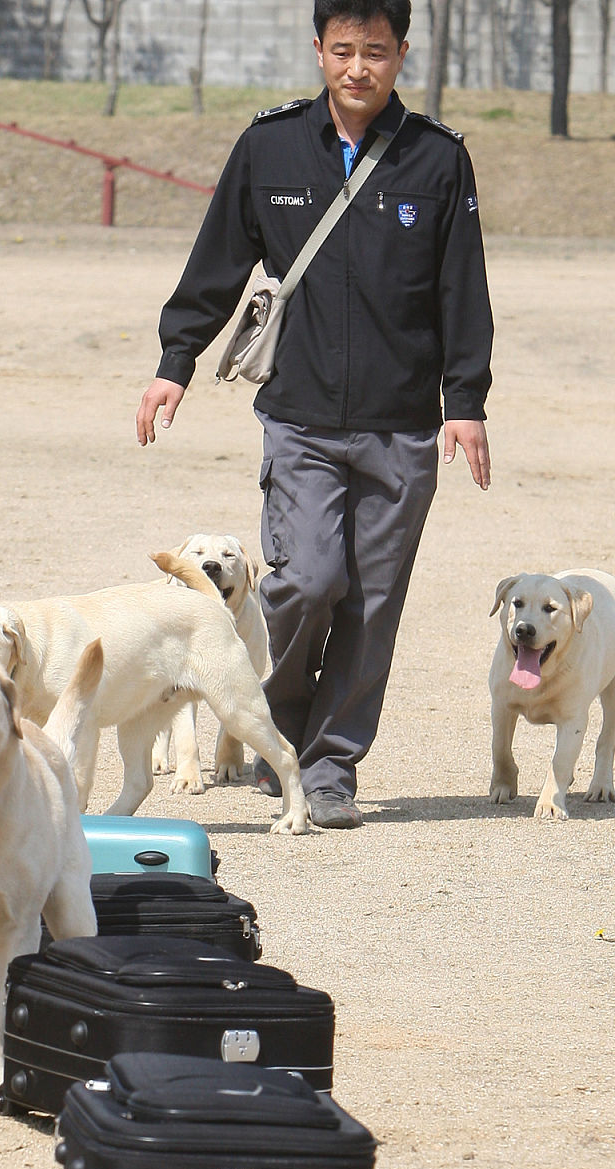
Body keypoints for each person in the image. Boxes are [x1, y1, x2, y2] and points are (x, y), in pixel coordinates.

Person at [136, 0, 493, 830]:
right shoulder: (270, 145)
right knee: (307, 581)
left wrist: (465, 402)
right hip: (298, 415)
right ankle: (280, 735)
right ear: (319, 50)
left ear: (403, 52)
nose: (358, 67)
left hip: (403, 420)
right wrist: (175, 362)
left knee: (372, 603)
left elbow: (462, 288)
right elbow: (218, 260)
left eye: (376, 51)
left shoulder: (438, 157)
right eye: (343, 50)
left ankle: (328, 769)